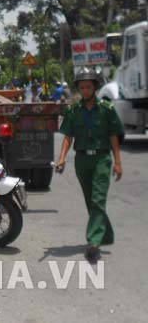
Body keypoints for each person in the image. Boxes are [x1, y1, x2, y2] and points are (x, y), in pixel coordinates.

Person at [56, 67, 124, 264]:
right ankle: (106, 234)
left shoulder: (106, 109)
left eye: (88, 87)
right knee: (91, 200)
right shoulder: (74, 111)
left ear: (94, 87)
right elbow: (68, 137)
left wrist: (117, 162)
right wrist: (61, 158)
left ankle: (93, 242)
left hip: (102, 158)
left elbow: (114, 136)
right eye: (82, 87)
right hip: (82, 159)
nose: (85, 91)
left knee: (97, 198)